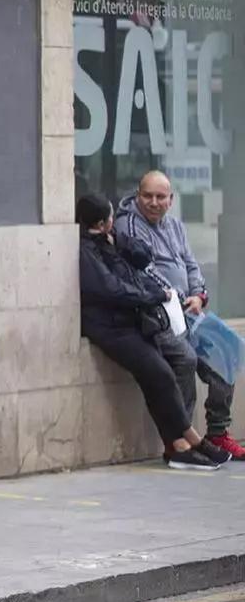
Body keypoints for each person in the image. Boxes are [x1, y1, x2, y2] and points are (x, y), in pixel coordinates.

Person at [77, 195, 230, 470]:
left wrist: (119, 241)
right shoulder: (87, 251)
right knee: (159, 372)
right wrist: (153, 295)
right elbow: (110, 288)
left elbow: (143, 258)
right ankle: (185, 442)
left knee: (161, 374)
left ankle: (183, 442)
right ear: (101, 222)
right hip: (110, 326)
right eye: (109, 219)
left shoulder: (111, 239)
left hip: (132, 321)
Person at [115, 171, 244, 460]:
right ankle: (181, 441)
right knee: (185, 359)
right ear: (138, 196)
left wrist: (198, 295)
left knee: (227, 350)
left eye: (160, 197)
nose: (153, 202)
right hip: (159, 314)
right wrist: (174, 295)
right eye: (147, 195)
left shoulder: (175, 226)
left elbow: (191, 264)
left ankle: (218, 433)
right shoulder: (129, 226)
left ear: (171, 200)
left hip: (189, 311)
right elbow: (143, 270)